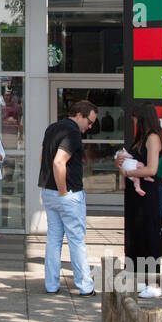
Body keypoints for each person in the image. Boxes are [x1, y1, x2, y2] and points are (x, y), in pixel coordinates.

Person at [40, 99, 98, 296]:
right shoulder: (72, 131)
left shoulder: (52, 128)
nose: (89, 127)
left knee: (53, 238)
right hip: (67, 193)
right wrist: (63, 190)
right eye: (89, 122)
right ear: (79, 115)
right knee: (76, 240)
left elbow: (44, 158)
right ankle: (85, 286)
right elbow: (58, 162)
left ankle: (51, 285)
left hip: (48, 191)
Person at [121, 101, 162, 298]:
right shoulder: (141, 138)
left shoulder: (153, 138)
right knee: (136, 235)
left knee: (148, 235)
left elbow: (152, 169)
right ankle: (138, 279)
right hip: (134, 194)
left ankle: (153, 283)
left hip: (146, 192)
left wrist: (129, 171)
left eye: (135, 120)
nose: (134, 123)